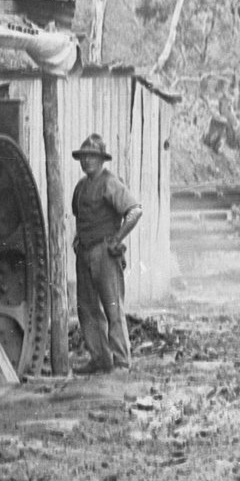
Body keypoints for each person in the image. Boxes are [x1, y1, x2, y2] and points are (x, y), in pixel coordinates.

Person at [70, 133, 141, 373]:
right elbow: (80, 216)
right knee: (87, 309)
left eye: (92, 156)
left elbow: (134, 211)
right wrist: (78, 238)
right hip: (85, 252)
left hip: (104, 252)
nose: (87, 161)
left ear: (101, 159)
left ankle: (121, 361)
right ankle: (100, 358)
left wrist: (117, 238)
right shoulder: (81, 187)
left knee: (112, 307)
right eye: (84, 156)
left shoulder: (110, 182)